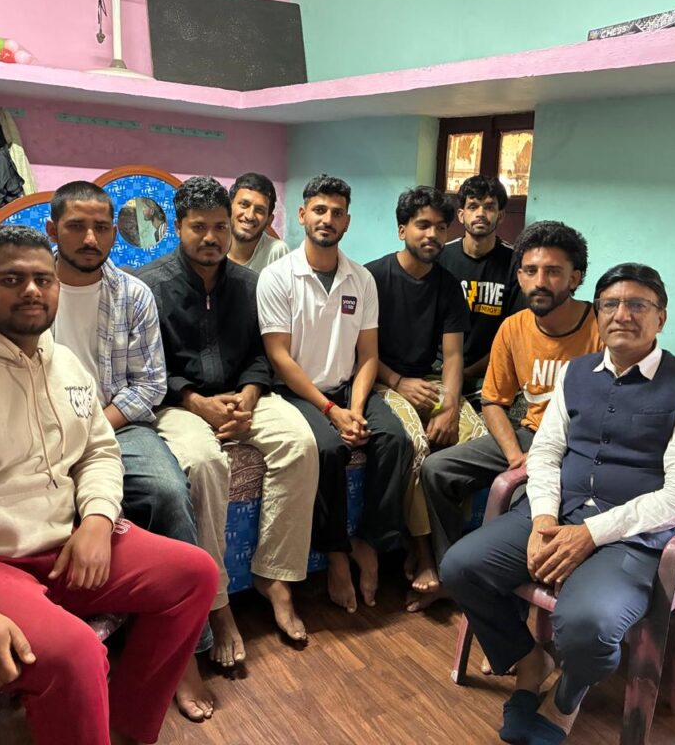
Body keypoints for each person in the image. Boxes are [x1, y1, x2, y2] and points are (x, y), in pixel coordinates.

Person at [0, 225, 217, 745]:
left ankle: (122, 729)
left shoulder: (62, 363)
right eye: (11, 279)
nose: (32, 290)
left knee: (194, 575)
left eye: (42, 279)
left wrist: (97, 519)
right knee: (75, 655)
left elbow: (98, 450)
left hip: (53, 547)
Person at [441, 263, 675, 744]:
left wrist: (591, 534)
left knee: (587, 626)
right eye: (610, 304)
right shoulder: (577, 373)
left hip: (631, 537)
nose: (622, 314)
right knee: (461, 567)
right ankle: (530, 660)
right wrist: (544, 519)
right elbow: (546, 451)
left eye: (638, 305)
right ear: (598, 314)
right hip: (559, 511)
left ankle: (567, 695)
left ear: (661, 318)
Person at [136, 176, 319, 707]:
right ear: (178, 227)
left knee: (300, 443)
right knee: (204, 463)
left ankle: (275, 577)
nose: (212, 237)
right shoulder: (148, 287)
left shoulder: (249, 283)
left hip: (244, 396)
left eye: (220, 226)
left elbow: (262, 355)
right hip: (178, 402)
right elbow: (149, 369)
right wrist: (197, 402)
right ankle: (217, 602)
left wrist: (250, 395)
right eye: (199, 227)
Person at [44, 180, 214, 721]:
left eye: (101, 227)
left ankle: (186, 655)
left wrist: (93, 428)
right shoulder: (32, 288)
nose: (90, 238)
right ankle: (51, 642)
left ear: (115, 232)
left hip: (117, 425)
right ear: (52, 230)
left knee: (167, 490)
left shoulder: (133, 295)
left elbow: (150, 386)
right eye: (76, 226)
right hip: (40, 434)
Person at [257, 174, 413, 614]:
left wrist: (356, 409)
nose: (327, 219)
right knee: (326, 449)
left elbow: (369, 354)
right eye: (319, 210)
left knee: (395, 440)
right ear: (302, 215)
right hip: (297, 392)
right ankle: (337, 555)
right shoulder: (277, 277)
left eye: (337, 213)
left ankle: (370, 542)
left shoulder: (361, 279)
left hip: (349, 387)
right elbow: (279, 357)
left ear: (347, 221)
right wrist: (329, 410)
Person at [423, 221, 602, 568]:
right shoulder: (513, 327)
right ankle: (451, 569)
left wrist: (540, 463)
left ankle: (501, 579)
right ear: (519, 276)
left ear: (574, 278)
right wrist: (514, 455)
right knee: (436, 469)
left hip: (578, 446)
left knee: (524, 501)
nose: (540, 281)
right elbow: (493, 401)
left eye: (553, 271)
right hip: (528, 436)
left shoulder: (600, 328)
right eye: (530, 271)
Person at [364, 185, 486, 612]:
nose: (432, 234)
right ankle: (423, 553)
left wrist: (450, 406)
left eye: (439, 226)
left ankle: (456, 551)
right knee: (416, 443)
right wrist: (398, 382)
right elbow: (361, 352)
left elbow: (453, 355)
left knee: (474, 440)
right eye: (422, 225)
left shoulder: (448, 286)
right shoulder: (372, 278)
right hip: (381, 379)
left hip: (428, 379)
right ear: (402, 230)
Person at [438, 175, 523, 393]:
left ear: (500, 215)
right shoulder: (440, 257)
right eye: (473, 206)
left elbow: (515, 334)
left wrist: (467, 372)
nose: (480, 214)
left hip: (489, 371)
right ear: (461, 215)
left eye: (489, 207)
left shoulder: (515, 263)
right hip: (438, 369)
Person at [227, 171, 290, 272]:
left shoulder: (277, 252)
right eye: (244, 204)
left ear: (269, 220)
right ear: (228, 208)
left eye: (259, 210)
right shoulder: (213, 246)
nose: (250, 216)